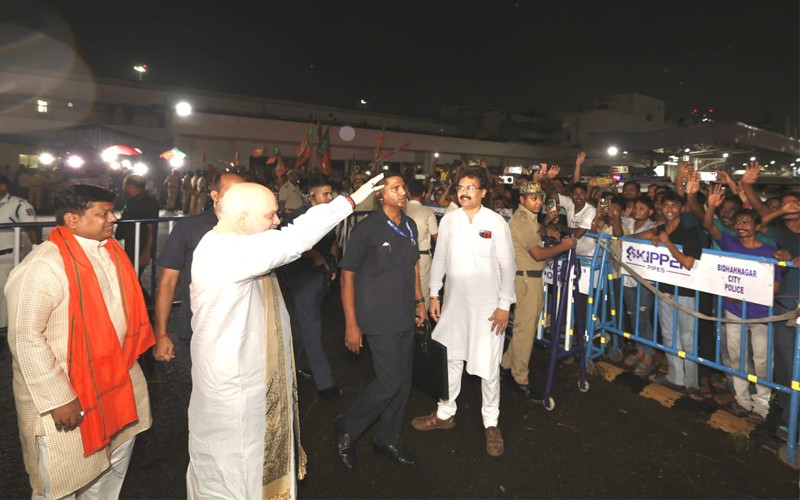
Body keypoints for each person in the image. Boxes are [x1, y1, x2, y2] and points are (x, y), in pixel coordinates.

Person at [186, 175, 383, 499]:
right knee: (232, 472)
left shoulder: (230, 242)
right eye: (270, 215)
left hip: (245, 377)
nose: (277, 221)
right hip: (234, 387)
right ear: (242, 218)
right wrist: (348, 202)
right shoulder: (226, 252)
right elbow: (294, 240)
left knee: (245, 466)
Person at [6, 184, 154, 499]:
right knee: (60, 485)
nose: (113, 218)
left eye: (113, 211)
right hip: (68, 397)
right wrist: (59, 398)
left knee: (107, 480)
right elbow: (25, 338)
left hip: (118, 387)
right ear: (73, 219)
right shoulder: (42, 267)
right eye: (103, 213)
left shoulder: (111, 252)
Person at [411, 167, 516, 458]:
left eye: (471, 186)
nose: (465, 191)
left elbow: (508, 267)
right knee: (451, 359)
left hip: (488, 309)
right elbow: (440, 257)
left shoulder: (496, 222)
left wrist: (504, 305)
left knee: (488, 366)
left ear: (483, 192)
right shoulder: (450, 220)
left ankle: (491, 423)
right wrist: (434, 294)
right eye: (461, 186)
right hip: (455, 304)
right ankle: (445, 412)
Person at [334, 171, 427, 469]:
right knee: (389, 382)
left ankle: (387, 438)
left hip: (404, 314)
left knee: (403, 382)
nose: (402, 191)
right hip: (376, 316)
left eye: (403, 186)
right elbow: (347, 275)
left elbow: (413, 267)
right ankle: (347, 427)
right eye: (395, 187)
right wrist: (351, 324)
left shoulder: (410, 225)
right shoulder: (367, 229)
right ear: (380, 194)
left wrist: (419, 300)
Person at [703, 185, 781, 425]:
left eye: (747, 222)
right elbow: (709, 226)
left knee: (762, 361)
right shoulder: (728, 242)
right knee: (737, 357)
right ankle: (743, 400)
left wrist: (746, 293)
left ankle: (762, 406)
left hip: (760, 315)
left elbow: (774, 288)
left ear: (757, 227)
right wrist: (712, 206)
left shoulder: (770, 253)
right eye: (738, 222)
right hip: (733, 311)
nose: (741, 225)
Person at [151, 172, 244, 367]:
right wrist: (161, 335)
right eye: (231, 192)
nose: (238, 198)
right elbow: (167, 282)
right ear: (215, 195)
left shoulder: (253, 229)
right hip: (199, 327)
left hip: (242, 329)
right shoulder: (189, 228)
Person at [500, 181, 576, 398]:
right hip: (526, 280)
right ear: (522, 200)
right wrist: (563, 246)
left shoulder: (526, 218)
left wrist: (547, 229)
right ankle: (519, 378)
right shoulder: (523, 221)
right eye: (533, 198)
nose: (538, 202)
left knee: (523, 327)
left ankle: (506, 365)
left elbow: (537, 232)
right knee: (526, 330)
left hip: (526, 278)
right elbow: (537, 254)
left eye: (540, 198)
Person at [281, 176, 344, 401]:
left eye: (331, 194)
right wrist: (316, 255)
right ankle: (324, 383)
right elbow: (287, 244)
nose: (329, 198)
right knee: (312, 327)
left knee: (300, 324)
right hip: (303, 277)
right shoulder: (299, 216)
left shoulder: (327, 215)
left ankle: (292, 368)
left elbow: (332, 243)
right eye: (325, 194)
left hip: (321, 276)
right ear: (312, 197)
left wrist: (332, 263)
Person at [646, 190, 703, 399]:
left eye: (674, 206)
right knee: (669, 335)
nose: (669, 210)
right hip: (664, 290)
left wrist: (667, 243)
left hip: (685, 292)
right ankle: (675, 377)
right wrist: (656, 240)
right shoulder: (661, 229)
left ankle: (692, 382)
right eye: (665, 206)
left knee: (688, 337)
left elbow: (689, 262)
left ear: (682, 208)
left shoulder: (689, 231)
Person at [619, 197, 660, 376]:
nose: (637, 210)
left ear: (650, 212)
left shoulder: (653, 226)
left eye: (641, 207)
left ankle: (649, 355)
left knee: (644, 315)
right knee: (633, 314)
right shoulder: (627, 221)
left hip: (644, 279)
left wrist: (626, 238)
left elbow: (650, 235)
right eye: (635, 206)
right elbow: (615, 227)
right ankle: (640, 350)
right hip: (627, 276)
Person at [0, 174, 38, 333]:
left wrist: (37, 250)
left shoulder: (19, 205)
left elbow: (31, 229)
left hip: (7, 258)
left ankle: (3, 332)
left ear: (3, 186)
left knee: (3, 297)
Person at [114, 174, 160, 278]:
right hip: (132, 243)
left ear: (130, 187)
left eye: (124, 185)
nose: (123, 188)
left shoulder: (148, 203)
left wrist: (147, 251)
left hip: (140, 246)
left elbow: (151, 228)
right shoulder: (133, 200)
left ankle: (141, 295)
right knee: (131, 277)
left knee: (132, 278)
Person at [404, 179, 439, 308]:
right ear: (424, 193)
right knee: (422, 291)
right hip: (422, 257)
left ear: (407, 192)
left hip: (401, 255)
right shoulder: (427, 212)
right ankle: (421, 322)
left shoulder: (401, 210)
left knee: (404, 288)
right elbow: (437, 237)